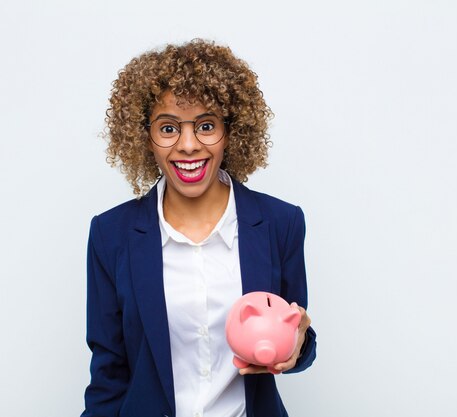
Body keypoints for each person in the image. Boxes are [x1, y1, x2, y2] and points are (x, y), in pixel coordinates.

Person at [81, 39, 317, 417]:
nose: (188, 145)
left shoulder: (280, 223)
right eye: (169, 127)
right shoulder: (111, 234)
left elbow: (298, 337)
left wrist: (298, 346)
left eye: (206, 125)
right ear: (145, 136)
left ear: (231, 131)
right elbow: (110, 372)